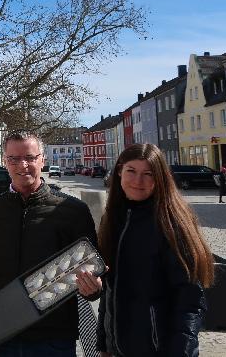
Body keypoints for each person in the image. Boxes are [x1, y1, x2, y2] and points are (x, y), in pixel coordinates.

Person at [76, 143, 214, 357]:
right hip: (119, 349)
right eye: (131, 171)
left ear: (159, 178)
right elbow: (110, 290)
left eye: (148, 174)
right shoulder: (113, 218)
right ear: (120, 170)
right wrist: (104, 345)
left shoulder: (171, 223)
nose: (138, 181)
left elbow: (190, 301)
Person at [0, 130, 97, 357]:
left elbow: (92, 269)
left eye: (30, 158)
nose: (22, 165)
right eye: (14, 159)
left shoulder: (72, 211)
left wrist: (93, 289)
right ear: (5, 162)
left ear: (42, 159)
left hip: (52, 338)